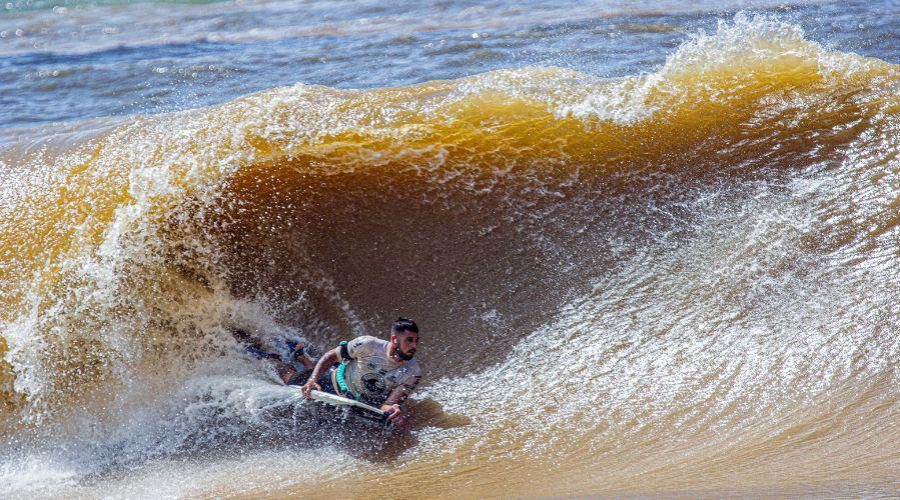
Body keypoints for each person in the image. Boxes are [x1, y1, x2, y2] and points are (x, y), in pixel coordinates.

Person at [302, 317, 422, 426]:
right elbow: (331, 356)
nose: (414, 346)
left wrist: (393, 411)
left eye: (416, 341)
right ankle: (300, 356)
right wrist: (312, 380)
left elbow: (388, 405)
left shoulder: (413, 373)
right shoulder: (368, 344)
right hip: (331, 384)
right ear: (395, 339)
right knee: (295, 378)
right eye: (409, 340)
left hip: (357, 405)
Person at [231, 328, 320, 385]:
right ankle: (298, 357)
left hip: (311, 382)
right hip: (311, 381)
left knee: (306, 376)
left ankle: (298, 357)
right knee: (314, 376)